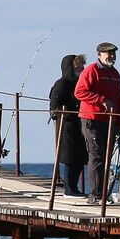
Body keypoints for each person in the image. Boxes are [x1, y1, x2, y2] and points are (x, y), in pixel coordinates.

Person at [74, 42, 120, 203]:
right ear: (99, 55)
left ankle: (103, 194)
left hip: (110, 122)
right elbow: (79, 92)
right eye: (108, 53)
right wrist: (101, 100)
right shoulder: (91, 70)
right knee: (97, 156)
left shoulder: (115, 74)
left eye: (113, 53)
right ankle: (95, 195)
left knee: (107, 157)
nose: (111, 56)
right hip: (92, 119)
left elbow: (119, 98)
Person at [49, 54, 88, 196]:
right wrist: (63, 113)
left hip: (81, 124)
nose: (80, 70)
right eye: (77, 68)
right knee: (70, 157)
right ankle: (69, 188)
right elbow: (54, 106)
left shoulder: (82, 84)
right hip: (67, 125)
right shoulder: (62, 83)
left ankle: (74, 187)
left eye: (81, 68)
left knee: (80, 157)